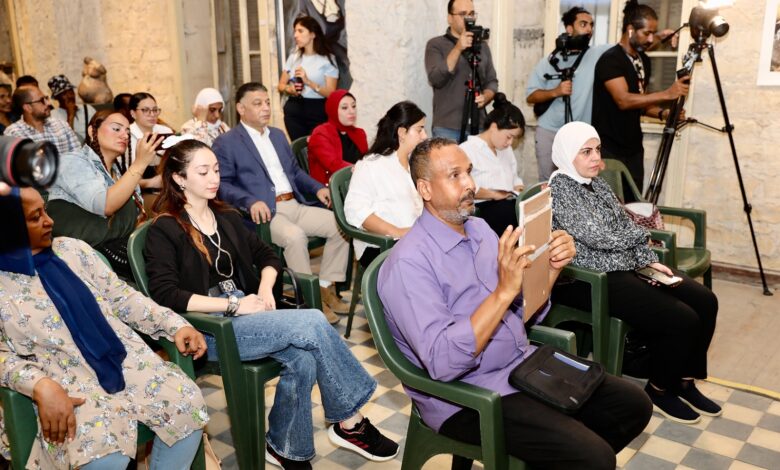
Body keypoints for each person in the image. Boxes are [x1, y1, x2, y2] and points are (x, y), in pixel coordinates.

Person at [378, 137, 652, 469]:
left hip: (519, 364)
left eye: (469, 172)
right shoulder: (409, 263)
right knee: (595, 456)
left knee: (633, 405)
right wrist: (503, 293)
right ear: (424, 189)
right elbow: (444, 363)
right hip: (467, 396)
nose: (470, 184)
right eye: (454, 176)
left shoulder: (479, 230)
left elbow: (521, 316)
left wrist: (551, 269)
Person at [144, 139, 399, 469]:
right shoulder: (165, 228)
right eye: (203, 172)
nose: (214, 178)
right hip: (208, 328)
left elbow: (267, 255)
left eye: (216, 170)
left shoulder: (225, 217)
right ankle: (351, 421)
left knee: (304, 358)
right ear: (179, 178)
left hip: (247, 313)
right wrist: (233, 306)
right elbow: (166, 294)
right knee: (312, 321)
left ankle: (285, 447)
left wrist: (265, 290)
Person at [0, 187, 209, 470]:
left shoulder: (73, 251)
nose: (50, 221)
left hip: (124, 361)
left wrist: (173, 325)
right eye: (35, 217)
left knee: (187, 406)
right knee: (102, 454)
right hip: (63, 379)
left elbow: (124, 298)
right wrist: (39, 384)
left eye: (45, 211)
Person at [548, 121, 720, 425]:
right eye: (586, 151)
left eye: (597, 149)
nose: (596, 157)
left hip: (623, 265)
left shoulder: (596, 183)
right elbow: (598, 237)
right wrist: (641, 238)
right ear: (566, 153)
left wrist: (649, 261)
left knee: (706, 301)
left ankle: (684, 381)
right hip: (590, 278)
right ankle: (659, 389)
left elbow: (624, 225)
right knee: (681, 318)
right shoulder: (560, 188)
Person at [212, 82, 350, 322]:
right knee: (295, 237)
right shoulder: (227, 142)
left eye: (267, 102)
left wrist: (317, 188)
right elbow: (223, 184)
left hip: (294, 204)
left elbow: (295, 172)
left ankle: (324, 288)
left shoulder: (277, 135)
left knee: (340, 225)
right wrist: (249, 202)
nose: (266, 108)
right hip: (265, 213)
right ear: (241, 109)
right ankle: (310, 300)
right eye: (258, 104)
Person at [46, 109, 164, 277]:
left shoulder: (120, 174)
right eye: (116, 129)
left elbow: (138, 218)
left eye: (127, 131)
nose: (124, 135)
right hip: (84, 258)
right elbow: (105, 205)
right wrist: (140, 163)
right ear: (91, 131)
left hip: (118, 247)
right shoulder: (72, 161)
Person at [592, 0, 688, 193]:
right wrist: (667, 94)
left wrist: (663, 114)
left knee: (634, 204)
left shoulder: (642, 60)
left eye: (654, 33)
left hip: (634, 148)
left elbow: (640, 102)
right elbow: (624, 100)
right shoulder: (611, 60)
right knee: (610, 205)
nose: (651, 39)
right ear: (630, 30)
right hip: (609, 149)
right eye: (647, 33)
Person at [526, 7, 612, 181]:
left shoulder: (596, 54)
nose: (589, 29)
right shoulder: (550, 61)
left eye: (591, 25)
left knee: (579, 182)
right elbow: (531, 96)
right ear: (569, 28)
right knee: (548, 182)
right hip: (549, 131)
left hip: (579, 135)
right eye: (583, 24)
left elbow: (624, 46)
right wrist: (556, 92)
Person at [344, 101, 426, 268]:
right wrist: (398, 232)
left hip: (414, 240)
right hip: (381, 246)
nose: (424, 136)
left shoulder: (414, 163)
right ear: (402, 133)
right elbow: (355, 211)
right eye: (419, 130)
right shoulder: (371, 166)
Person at [425, 0, 498, 141]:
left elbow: (492, 81)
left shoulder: (482, 46)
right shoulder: (436, 45)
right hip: (447, 127)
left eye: (471, 14)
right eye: (463, 14)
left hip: (479, 124)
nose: (468, 19)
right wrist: (458, 48)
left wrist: (486, 96)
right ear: (450, 18)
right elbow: (436, 79)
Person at [459, 92, 525, 235]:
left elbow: (515, 178)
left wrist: (519, 188)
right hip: (484, 207)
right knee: (506, 213)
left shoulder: (506, 150)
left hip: (508, 202)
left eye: (514, 139)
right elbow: (463, 188)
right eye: (509, 137)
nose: (510, 143)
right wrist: (494, 194)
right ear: (494, 127)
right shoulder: (468, 149)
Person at [277, 16, 338, 140]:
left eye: (300, 31)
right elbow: (281, 85)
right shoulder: (293, 57)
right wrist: (290, 89)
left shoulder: (327, 59)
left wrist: (308, 82)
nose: (295, 35)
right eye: (295, 31)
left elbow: (331, 93)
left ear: (313, 34)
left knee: (317, 146)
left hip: (318, 109)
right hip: (294, 108)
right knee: (299, 147)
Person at [307, 89, 367, 185]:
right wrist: (363, 170)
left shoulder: (359, 133)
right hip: (330, 188)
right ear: (333, 110)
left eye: (353, 106)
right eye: (344, 108)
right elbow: (334, 164)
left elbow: (365, 159)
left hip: (356, 182)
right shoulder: (320, 134)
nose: (352, 111)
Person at [4, 85, 80, 154]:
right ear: (28, 108)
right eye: (42, 100)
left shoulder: (62, 126)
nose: (48, 103)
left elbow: (79, 157)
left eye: (46, 98)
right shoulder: (13, 134)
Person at [122, 92, 173, 190]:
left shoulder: (165, 131)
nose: (152, 114)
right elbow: (121, 178)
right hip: (136, 190)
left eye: (155, 110)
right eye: (145, 110)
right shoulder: (126, 135)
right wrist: (150, 183)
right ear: (133, 113)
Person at [48, 74, 97, 143]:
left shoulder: (88, 109)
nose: (70, 96)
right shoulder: (52, 116)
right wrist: (70, 115)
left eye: (71, 91)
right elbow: (64, 141)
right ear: (57, 97)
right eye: (64, 94)